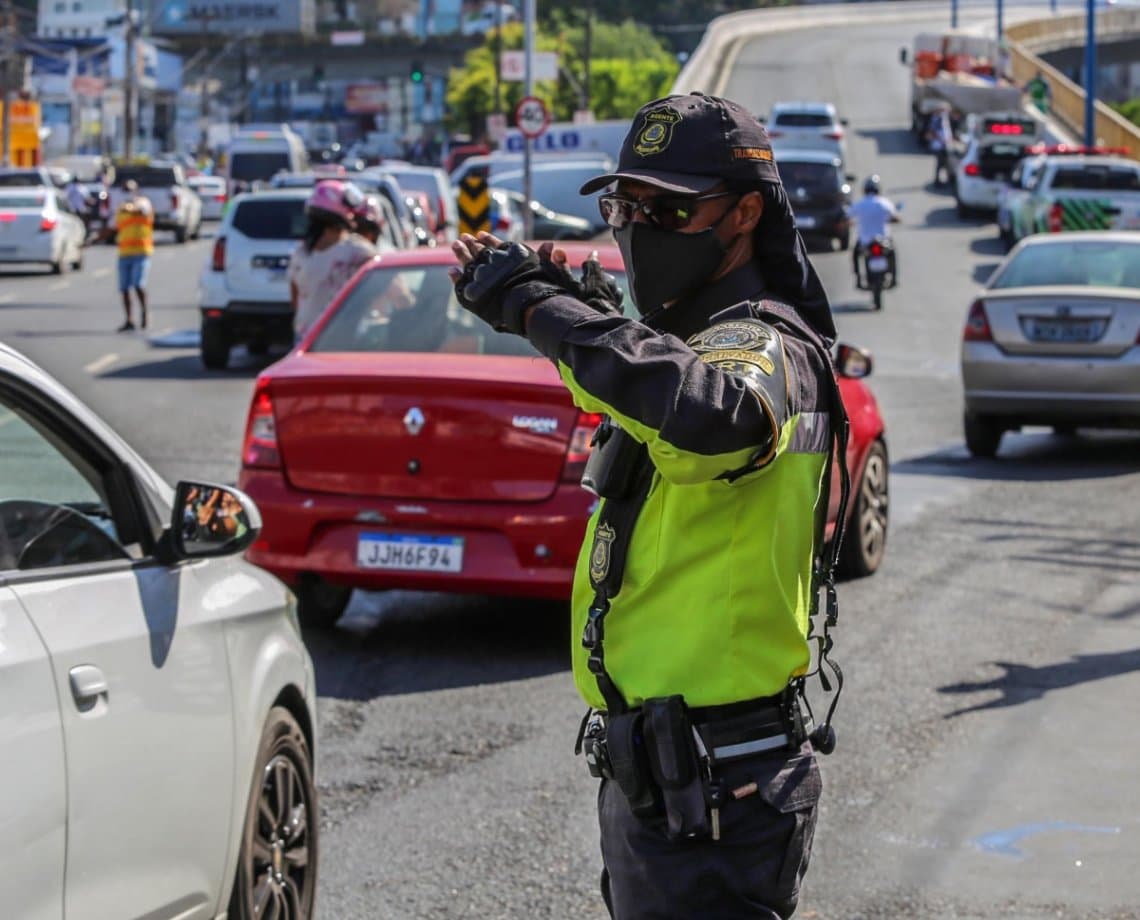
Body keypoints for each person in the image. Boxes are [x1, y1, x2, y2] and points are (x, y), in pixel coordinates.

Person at [449, 92, 848, 919]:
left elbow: (711, 417)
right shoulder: (690, 345)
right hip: (667, 780)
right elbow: (653, 387)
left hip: (721, 786)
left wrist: (541, 309)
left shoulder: (767, 342)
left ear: (744, 213)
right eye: (625, 204)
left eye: (668, 208)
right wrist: (585, 317)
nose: (638, 224)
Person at [287, 180, 377, 339]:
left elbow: (295, 297)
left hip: (305, 337)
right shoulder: (358, 252)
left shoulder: (301, 252)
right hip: (342, 339)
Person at [86, 178, 154, 331]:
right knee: (124, 289)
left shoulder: (143, 203)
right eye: (124, 190)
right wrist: (92, 241)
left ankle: (144, 312)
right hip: (124, 253)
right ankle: (129, 319)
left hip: (141, 252)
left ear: (136, 191)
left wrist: (129, 205)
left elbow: (141, 209)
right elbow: (111, 228)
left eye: (129, 190)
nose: (127, 193)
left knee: (138, 285)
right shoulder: (121, 210)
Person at [848, 174, 901, 288]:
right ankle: (894, 278)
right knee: (892, 253)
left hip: (865, 241)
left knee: (855, 255)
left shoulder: (860, 204)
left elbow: (848, 217)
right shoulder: (884, 203)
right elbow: (896, 217)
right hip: (884, 239)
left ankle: (858, 279)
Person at [926, 105, 954, 186]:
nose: (946, 112)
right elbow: (933, 132)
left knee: (944, 163)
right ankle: (938, 181)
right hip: (939, 146)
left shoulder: (942, 119)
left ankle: (943, 179)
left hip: (943, 145)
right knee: (941, 163)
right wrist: (942, 140)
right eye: (944, 110)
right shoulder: (936, 120)